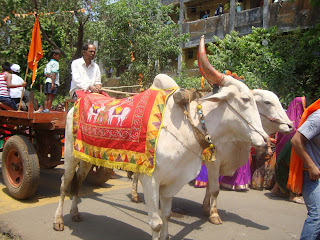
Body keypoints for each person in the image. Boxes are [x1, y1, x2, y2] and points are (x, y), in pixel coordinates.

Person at [289, 98, 320, 239]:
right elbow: (296, 140)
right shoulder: (318, 117)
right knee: (317, 216)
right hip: (313, 175)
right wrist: (311, 165)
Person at [270, 97, 306, 204]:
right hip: (292, 152)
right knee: (293, 170)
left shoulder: (288, 121)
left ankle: (275, 189)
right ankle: (293, 195)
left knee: (284, 168)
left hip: (283, 151)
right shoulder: (298, 123)